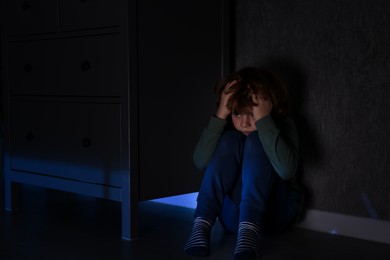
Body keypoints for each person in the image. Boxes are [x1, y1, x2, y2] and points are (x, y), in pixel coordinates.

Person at [183, 67, 304, 259]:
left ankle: (249, 229)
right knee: (230, 139)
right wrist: (221, 114)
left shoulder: (283, 124)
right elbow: (199, 161)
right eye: (237, 113)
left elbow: (286, 171)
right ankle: (201, 224)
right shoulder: (229, 130)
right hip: (232, 218)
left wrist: (264, 122)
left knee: (256, 139)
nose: (245, 123)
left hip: (273, 215)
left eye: (253, 114)